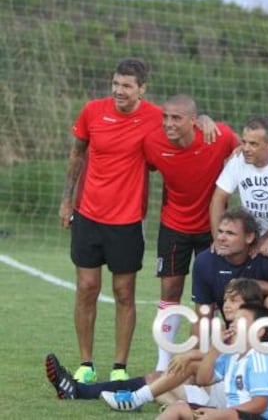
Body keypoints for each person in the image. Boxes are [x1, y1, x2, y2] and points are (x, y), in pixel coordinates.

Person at [59, 58, 216, 383]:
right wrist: (66, 199)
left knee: (124, 292)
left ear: (141, 89)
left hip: (128, 220)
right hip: (87, 214)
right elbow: (77, 153)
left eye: (127, 85)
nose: (119, 90)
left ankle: (119, 367)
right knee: (86, 288)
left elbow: (183, 122)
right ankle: (86, 363)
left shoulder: (157, 118)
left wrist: (203, 118)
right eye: (116, 84)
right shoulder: (92, 111)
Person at [49, 278, 263, 406]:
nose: (226, 305)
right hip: (217, 386)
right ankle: (87, 392)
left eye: (234, 301)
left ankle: (131, 399)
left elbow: (220, 368)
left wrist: (191, 356)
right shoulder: (229, 328)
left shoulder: (254, 332)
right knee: (162, 381)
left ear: (250, 305)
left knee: (165, 380)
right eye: (226, 300)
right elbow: (213, 367)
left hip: (229, 393)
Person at [143, 94, 239, 371]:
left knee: (217, 295)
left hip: (213, 228)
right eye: (165, 117)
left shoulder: (218, 137)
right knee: (170, 291)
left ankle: (216, 362)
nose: (168, 124)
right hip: (174, 225)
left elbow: (243, 153)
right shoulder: (152, 142)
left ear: (194, 121)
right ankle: (163, 365)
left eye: (176, 118)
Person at [155, 303, 268, 420]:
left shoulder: (261, 356)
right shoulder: (233, 354)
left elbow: (259, 404)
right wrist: (215, 349)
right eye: (233, 320)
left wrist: (221, 414)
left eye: (241, 321)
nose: (232, 325)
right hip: (237, 414)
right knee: (178, 409)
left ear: (259, 332)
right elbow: (203, 380)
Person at [210, 117, 268, 241]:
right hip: (249, 237)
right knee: (206, 259)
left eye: (253, 144)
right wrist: (218, 238)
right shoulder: (238, 159)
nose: (246, 149)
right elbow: (219, 197)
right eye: (244, 142)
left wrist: (267, 238)